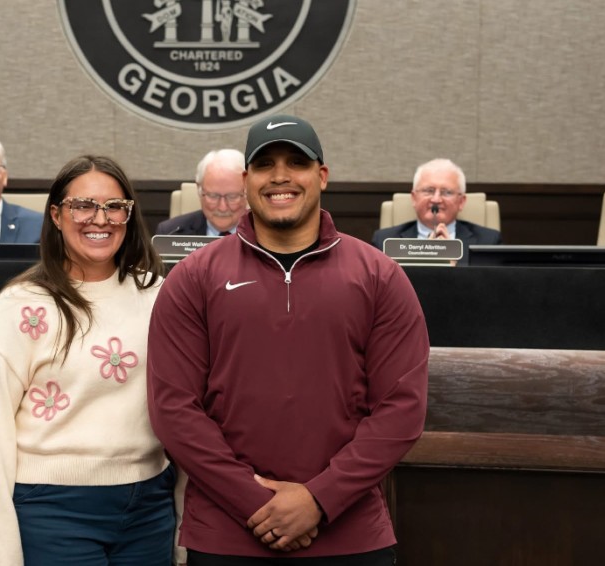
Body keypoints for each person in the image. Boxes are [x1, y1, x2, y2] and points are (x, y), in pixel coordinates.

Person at [147, 115, 429, 565]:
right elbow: (173, 409)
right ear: (246, 180)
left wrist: (319, 500)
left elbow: (402, 409)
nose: (280, 176)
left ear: (321, 176)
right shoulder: (193, 277)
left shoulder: (379, 276)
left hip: (350, 533)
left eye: (296, 162)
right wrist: (255, 503)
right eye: (265, 164)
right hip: (227, 533)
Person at [0, 155, 174, 565]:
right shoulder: (20, 308)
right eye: (83, 206)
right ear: (56, 215)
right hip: (53, 511)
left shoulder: (159, 297)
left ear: (129, 215)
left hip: (149, 507)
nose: (100, 219)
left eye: (114, 207)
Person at [371, 158, 502, 251]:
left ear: (461, 202)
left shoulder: (489, 241)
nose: (436, 199)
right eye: (429, 191)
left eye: (447, 192)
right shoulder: (384, 241)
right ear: (414, 198)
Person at [156, 149, 247, 236]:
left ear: (247, 192)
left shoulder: (260, 234)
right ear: (199, 189)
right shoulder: (170, 233)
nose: (222, 208)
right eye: (213, 196)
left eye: (232, 196)